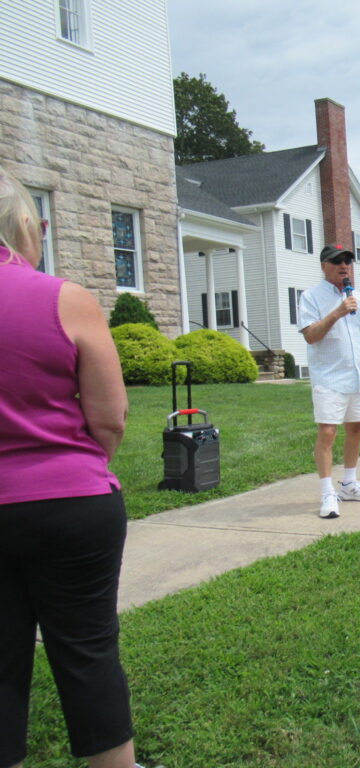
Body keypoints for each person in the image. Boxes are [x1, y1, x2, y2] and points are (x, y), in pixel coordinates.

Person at [0, 168, 139, 768]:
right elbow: (109, 417)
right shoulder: (66, 299)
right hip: (71, 503)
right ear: (25, 226)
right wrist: (78, 468)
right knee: (86, 650)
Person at [299, 244, 360, 519]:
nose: (343, 266)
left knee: (356, 429)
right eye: (337, 261)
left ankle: (349, 483)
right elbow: (310, 335)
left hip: (356, 375)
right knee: (327, 433)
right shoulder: (311, 296)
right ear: (324, 265)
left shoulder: (359, 297)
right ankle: (328, 492)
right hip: (328, 376)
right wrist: (337, 312)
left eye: (347, 261)